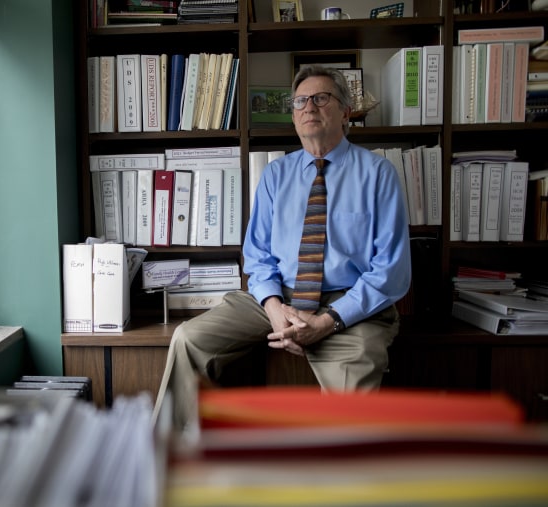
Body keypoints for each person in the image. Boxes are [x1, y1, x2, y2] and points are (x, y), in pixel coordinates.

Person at [153, 65, 412, 436]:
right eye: (300, 101)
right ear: (293, 115)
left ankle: (342, 487)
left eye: (322, 98)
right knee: (188, 339)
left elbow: (391, 270)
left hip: (349, 308)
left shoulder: (378, 173)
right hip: (280, 299)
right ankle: (171, 455)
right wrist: (274, 308)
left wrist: (326, 322)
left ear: (345, 111)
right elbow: (256, 254)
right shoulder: (276, 175)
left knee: (352, 408)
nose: (309, 107)